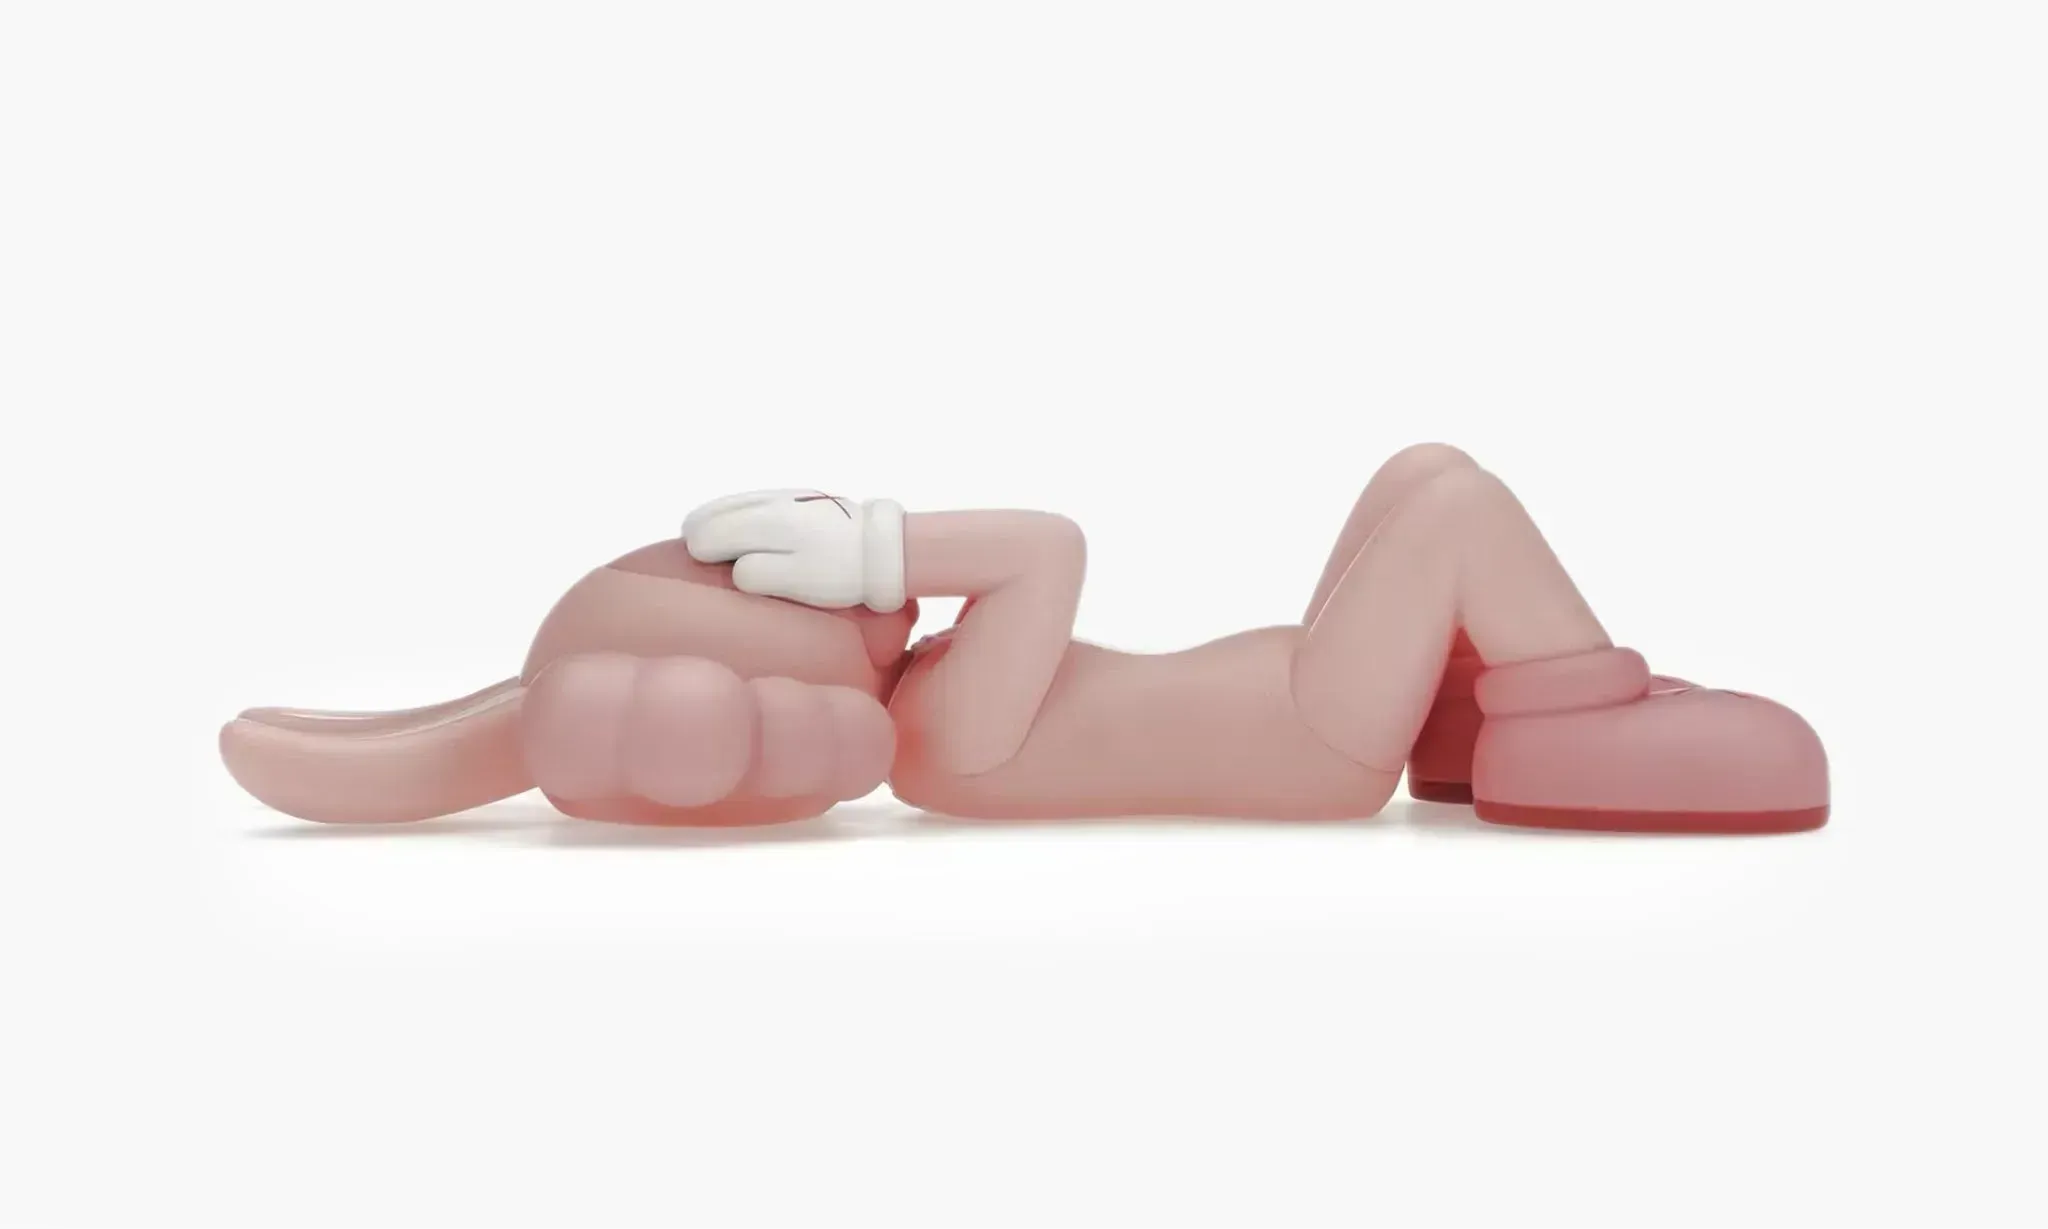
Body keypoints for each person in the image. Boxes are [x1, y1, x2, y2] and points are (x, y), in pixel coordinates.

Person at [220, 444, 1827, 832]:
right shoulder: (941, 742)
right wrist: (881, 544)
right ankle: (1575, 719)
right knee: (1455, 503)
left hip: (1317, 709)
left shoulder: (934, 707)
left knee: (1418, 472)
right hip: (1310, 745)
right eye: (774, 592)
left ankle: (1479, 726)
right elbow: (1049, 549)